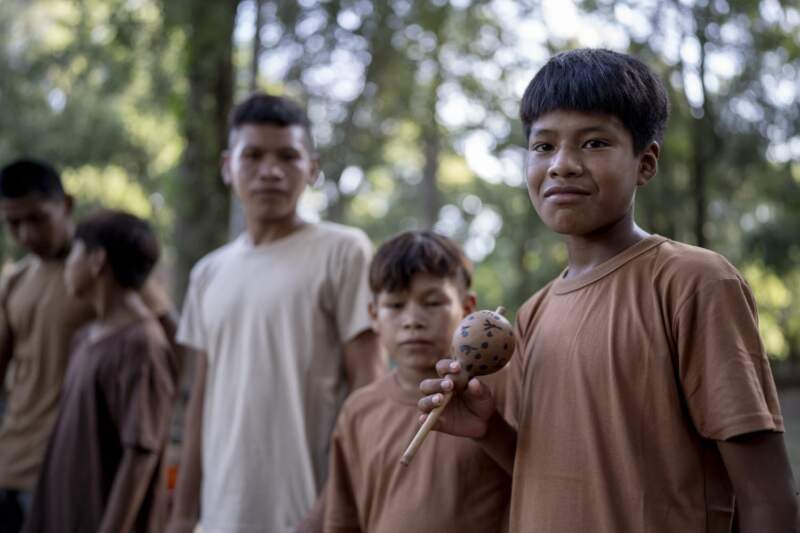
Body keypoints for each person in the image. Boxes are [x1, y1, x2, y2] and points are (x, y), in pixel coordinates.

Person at [418, 48, 800, 533]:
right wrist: (488, 429)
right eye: (543, 146)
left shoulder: (693, 282)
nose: (562, 165)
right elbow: (555, 479)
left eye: (594, 143)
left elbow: (767, 498)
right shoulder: (533, 314)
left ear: (646, 163)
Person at [168, 93, 385, 533]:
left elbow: (370, 389)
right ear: (227, 166)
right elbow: (201, 399)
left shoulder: (343, 252)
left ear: (312, 168)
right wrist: (183, 515)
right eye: (253, 156)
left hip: (310, 513)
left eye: (288, 156)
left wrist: (328, 511)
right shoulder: (208, 273)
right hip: (221, 516)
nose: (270, 171)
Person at [0, 159, 175, 533]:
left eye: (37, 219)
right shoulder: (15, 283)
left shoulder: (117, 276)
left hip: (84, 472)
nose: (26, 234)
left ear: (65, 205)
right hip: (16, 462)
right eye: (13, 223)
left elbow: (166, 351)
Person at [323, 230, 511, 533]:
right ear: (373, 315)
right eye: (396, 305)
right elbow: (343, 520)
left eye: (433, 303)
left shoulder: (499, 393)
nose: (412, 320)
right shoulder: (358, 411)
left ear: (467, 308)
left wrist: (493, 430)